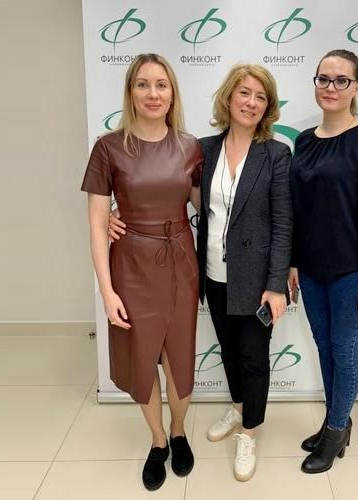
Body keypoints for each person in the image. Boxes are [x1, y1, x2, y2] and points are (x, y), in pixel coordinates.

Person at [81, 53, 203, 491]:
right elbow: (97, 224)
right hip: (130, 266)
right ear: (130, 92)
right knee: (141, 358)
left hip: (180, 264)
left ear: (172, 93)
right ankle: (157, 441)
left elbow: (207, 204)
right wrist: (107, 290)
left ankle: (179, 431)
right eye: (143, 84)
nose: (153, 93)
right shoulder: (108, 147)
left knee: (179, 358)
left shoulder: (190, 147)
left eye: (161, 85)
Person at [288, 49, 358, 474]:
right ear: (315, 83)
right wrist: (293, 262)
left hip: (353, 273)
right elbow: (299, 210)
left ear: (356, 87)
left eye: (341, 80)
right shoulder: (304, 141)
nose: (330, 87)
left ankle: (335, 433)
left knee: (346, 352)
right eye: (324, 79)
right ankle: (337, 422)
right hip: (312, 271)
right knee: (325, 348)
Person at [197, 64, 292, 481]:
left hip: (257, 280)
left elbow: (283, 223)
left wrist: (276, 285)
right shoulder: (204, 149)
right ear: (229, 97)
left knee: (253, 357)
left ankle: (249, 432)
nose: (251, 102)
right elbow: (171, 194)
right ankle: (236, 408)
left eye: (260, 96)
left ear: (267, 106)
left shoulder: (276, 154)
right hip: (214, 272)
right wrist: (115, 213)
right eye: (244, 93)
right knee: (229, 351)